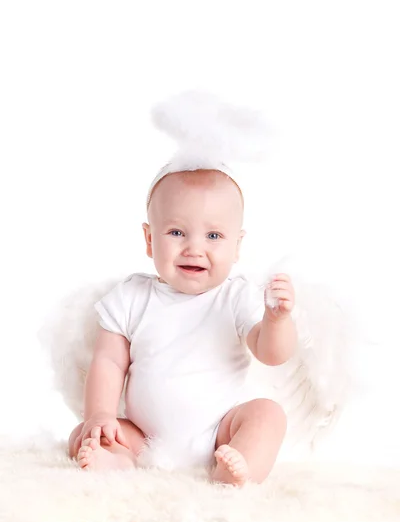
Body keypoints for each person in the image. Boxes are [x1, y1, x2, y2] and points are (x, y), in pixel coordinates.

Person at [67, 165, 298, 486]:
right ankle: (120, 460)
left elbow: (272, 354)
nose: (194, 248)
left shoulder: (236, 296)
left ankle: (235, 470)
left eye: (213, 236)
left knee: (268, 414)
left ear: (237, 246)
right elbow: (107, 362)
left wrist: (277, 320)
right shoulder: (131, 296)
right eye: (176, 232)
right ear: (149, 239)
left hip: (220, 432)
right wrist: (100, 415)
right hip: (143, 435)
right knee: (83, 433)